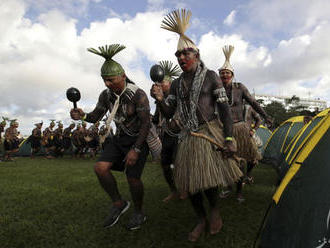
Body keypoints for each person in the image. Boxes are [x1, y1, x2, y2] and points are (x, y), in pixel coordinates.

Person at [151, 9, 242, 242]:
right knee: (190, 184)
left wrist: (229, 139)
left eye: (186, 53)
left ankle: (214, 211)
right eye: (178, 55)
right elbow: (170, 112)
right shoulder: (179, 82)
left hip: (208, 133)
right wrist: (160, 100)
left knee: (209, 180)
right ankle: (200, 218)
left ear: (197, 54)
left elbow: (224, 111)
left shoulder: (211, 76)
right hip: (187, 136)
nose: (182, 58)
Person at [70, 44, 151, 230]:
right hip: (119, 139)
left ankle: (139, 212)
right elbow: (95, 117)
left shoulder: (137, 95)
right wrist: (81, 115)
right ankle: (118, 203)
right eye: (104, 80)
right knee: (100, 168)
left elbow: (146, 124)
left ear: (122, 76)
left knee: (133, 178)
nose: (107, 84)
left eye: (111, 79)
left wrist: (136, 149)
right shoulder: (106, 95)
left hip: (138, 140)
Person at [218, 45, 272, 200]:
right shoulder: (217, 89)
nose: (224, 75)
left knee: (241, 160)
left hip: (240, 128)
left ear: (232, 75)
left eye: (227, 73)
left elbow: (253, 102)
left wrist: (265, 114)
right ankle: (228, 187)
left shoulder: (239, 87)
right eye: (222, 73)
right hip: (224, 130)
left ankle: (239, 191)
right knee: (226, 160)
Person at [151, 60, 183, 202]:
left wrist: (161, 99)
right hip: (166, 135)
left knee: (179, 165)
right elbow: (156, 119)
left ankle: (185, 189)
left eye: (162, 83)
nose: (159, 85)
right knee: (165, 164)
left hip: (180, 135)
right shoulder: (161, 100)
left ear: (170, 84)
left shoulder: (178, 97)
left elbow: (173, 113)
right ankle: (173, 191)